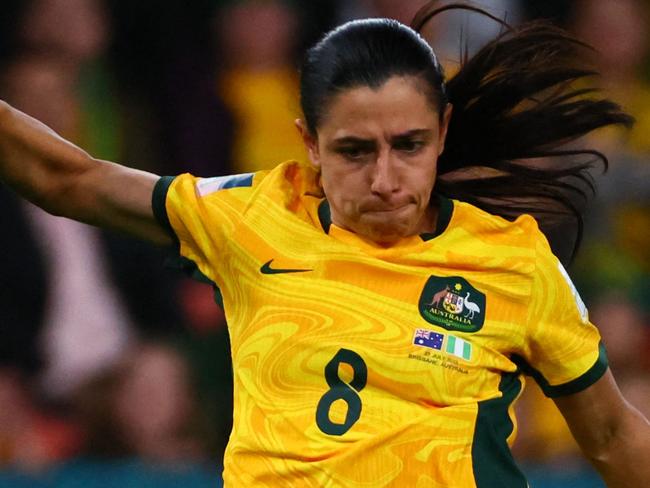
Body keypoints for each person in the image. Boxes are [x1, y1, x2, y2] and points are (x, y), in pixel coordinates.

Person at [0, 1, 648, 486]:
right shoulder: (247, 213)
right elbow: (71, 178)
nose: (386, 179)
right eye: (354, 152)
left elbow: (613, 435)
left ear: (443, 130)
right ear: (308, 143)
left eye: (410, 145)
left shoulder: (516, 263)